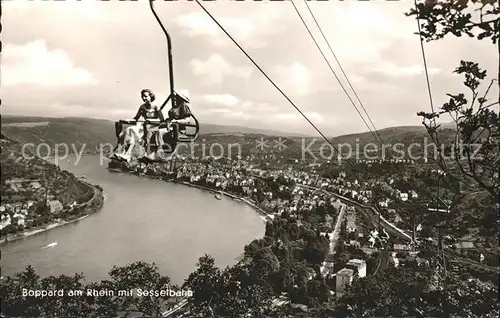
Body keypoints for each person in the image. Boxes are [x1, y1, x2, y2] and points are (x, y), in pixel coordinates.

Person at [113, 89, 163, 161]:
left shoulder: (156, 106)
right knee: (129, 129)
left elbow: (161, 120)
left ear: (151, 96)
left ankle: (127, 154)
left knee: (133, 131)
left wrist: (150, 121)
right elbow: (136, 118)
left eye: (145, 96)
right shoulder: (142, 107)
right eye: (142, 96)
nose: (143, 98)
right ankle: (125, 153)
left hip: (153, 126)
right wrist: (129, 119)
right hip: (143, 126)